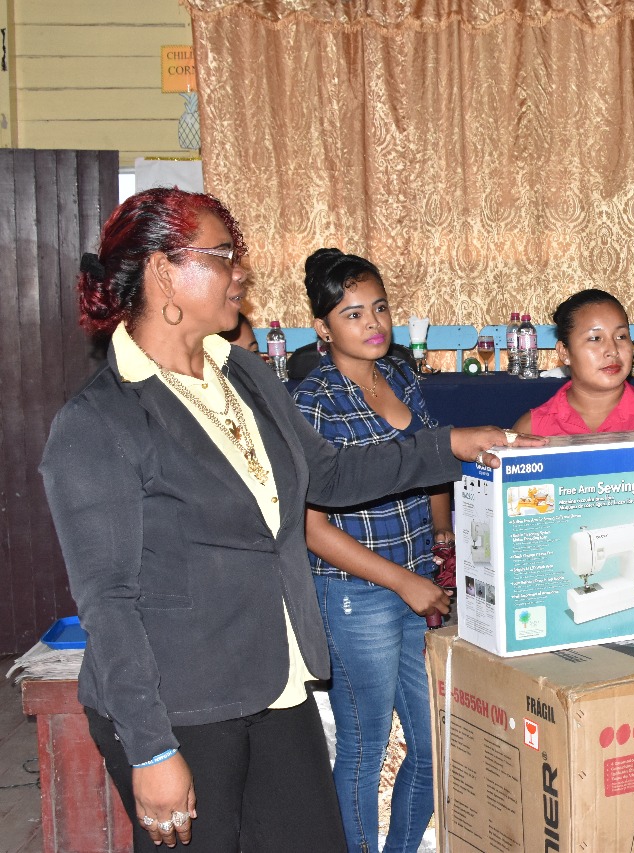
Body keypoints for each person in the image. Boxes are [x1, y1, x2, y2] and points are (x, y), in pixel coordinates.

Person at [39, 187, 538, 852]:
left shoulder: (241, 371)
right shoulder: (99, 422)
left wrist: (450, 445)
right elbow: (108, 601)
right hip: (179, 702)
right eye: (223, 256)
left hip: (274, 684)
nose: (241, 271)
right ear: (163, 271)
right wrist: (152, 749)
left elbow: (327, 474)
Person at [292, 248, 458, 853]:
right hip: (357, 593)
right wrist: (401, 581)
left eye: (380, 307)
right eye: (353, 313)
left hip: (418, 580)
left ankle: (401, 847)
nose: (373, 324)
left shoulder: (403, 377)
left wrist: (440, 528)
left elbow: (430, 457)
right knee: (363, 746)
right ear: (322, 328)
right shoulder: (312, 400)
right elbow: (309, 526)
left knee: (434, 740)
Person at [512, 288, 634, 434]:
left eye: (621, 336)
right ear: (564, 352)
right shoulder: (531, 431)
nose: (612, 350)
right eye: (595, 338)